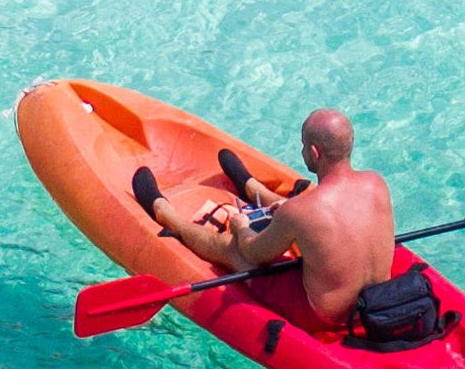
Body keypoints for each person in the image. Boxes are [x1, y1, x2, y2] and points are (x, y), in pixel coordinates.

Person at [128, 108, 444, 349]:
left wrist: (240, 226)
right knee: (308, 214)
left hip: (324, 315)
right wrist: (288, 217)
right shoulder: (376, 183)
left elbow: (255, 253)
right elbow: (332, 217)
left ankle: (167, 215)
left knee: (236, 253)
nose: (303, 152)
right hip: (377, 299)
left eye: (304, 146)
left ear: (314, 152)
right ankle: (252, 187)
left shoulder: (302, 211)